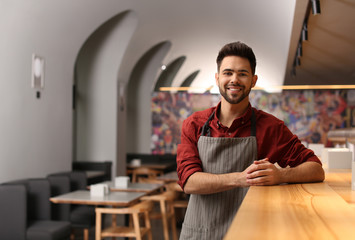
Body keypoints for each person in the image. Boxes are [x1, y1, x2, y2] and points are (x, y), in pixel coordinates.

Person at [176, 41, 325, 240]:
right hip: (200, 233)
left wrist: (281, 175)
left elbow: (316, 169)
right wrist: (242, 178)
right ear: (217, 77)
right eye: (228, 72)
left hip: (252, 232)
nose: (234, 79)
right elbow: (189, 181)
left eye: (242, 74)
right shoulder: (194, 124)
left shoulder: (271, 127)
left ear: (253, 80)